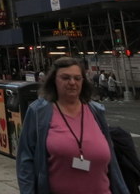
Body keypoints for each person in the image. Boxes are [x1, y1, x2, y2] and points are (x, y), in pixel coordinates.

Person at [16, 56, 128, 194]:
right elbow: (25, 160)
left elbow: (113, 164)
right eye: (65, 78)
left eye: (77, 78)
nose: (72, 82)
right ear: (54, 81)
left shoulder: (96, 111)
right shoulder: (39, 112)